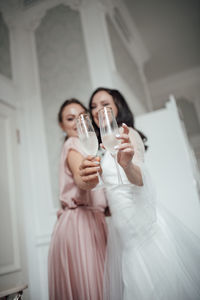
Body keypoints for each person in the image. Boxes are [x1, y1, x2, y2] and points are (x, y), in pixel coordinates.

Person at [79, 87, 200, 300]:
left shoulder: (128, 135)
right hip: (124, 236)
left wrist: (127, 166)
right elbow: (102, 187)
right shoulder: (101, 148)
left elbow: (140, 179)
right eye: (93, 107)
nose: (98, 110)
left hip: (144, 231)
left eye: (105, 105)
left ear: (118, 108)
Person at [48, 98, 108, 300]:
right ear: (61, 125)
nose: (76, 122)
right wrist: (87, 178)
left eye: (82, 116)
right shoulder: (73, 143)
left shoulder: (90, 145)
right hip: (80, 226)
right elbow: (81, 178)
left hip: (93, 222)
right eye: (70, 118)